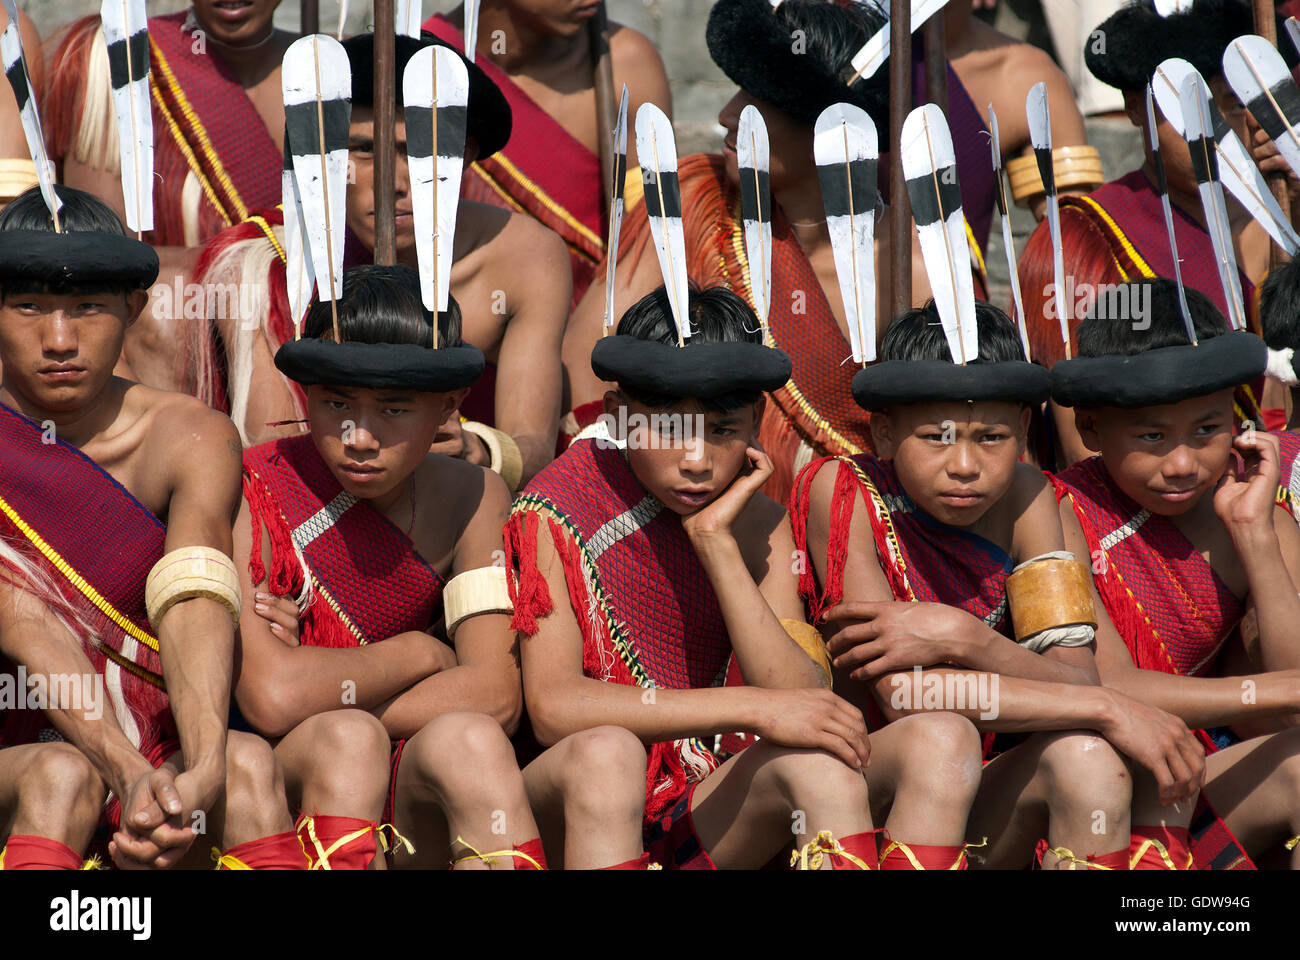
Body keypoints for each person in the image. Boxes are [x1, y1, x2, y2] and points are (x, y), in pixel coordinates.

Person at [507, 284, 985, 870]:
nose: (697, 461)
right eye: (667, 429)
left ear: (757, 420)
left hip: (699, 796)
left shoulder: (756, 520)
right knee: (607, 754)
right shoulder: (557, 507)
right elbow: (555, 707)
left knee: (909, 745)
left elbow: (802, 698)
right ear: (618, 417)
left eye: (723, 429)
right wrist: (749, 708)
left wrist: (716, 544)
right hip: (582, 801)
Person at [792, 298, 1208, 868]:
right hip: (869, 778)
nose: (965, 465)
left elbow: (1078, 675)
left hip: (982, 782)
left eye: (991, 438)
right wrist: (1111, 708)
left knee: (1087, 756)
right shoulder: (846, 491)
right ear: (885, 434)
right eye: (938, 437)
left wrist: (965, 638)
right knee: (943, 736)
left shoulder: (1028, 497)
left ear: (1020, 430)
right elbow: (905, 696)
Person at [564, 0, 979, 502]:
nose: (727, 114)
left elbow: (960, 433)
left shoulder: (918, 267)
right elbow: (593, 359)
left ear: (832, 135)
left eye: (760, 99)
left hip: (861, 533)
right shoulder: (696, 199)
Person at [0, 185, 304, 870]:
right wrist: (122, 766)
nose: (59, 340)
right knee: (62, 775)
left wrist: (203, 769)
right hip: (18, 741)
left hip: (157, 731)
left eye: (87, 308)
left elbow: (193, 590)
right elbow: (22, 619)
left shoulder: (187, 434)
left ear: (133, 309)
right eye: (27, 307)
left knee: (250, 763)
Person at [234, 265, 549, 869]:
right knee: (349, 739)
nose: (358, 436)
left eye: (394, 410)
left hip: (404, 774)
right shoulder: (252, 486)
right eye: (336, 403)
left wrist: (323, 682)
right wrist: (421, 654)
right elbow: (272, 698)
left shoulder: (475, 497)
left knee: (476, 740)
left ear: (450, 407)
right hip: (276, 771)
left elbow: (497, 694)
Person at [192, 33, 568, 490]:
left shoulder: (526, 256)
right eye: (364, 150)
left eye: (421, 151)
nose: (394, 182)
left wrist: (475, 448)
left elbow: (533, 446)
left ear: (464, 155)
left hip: (460, 508)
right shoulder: (271, 263)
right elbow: (270, 458)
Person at [1051, 278, 1300, 869]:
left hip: (1201, 768)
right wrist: (1269, 691)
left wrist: (1254, 534)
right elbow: (1104, 683)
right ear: (1090, 428)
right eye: (1152, 436)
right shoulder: (1058, 513)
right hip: (1092, 774)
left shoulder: (1244, 497)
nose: (1184, 463)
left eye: (1207, 430)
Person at [1016, 0, 1268, 466]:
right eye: (1183, 110)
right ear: (1135, 108)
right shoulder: (1083, 235)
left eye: (1228, 106)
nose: (1209, 132)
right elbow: (1081, 432)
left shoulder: (1284, 216)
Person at [424, 0, 672, 305]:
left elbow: (648, 247)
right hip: (446, 330)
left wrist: (578, 348)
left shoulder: (626, 63)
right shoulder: (417, 71)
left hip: (587, 336)